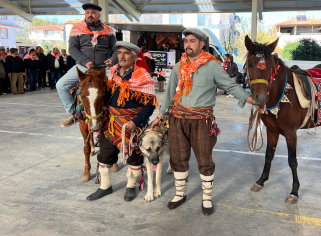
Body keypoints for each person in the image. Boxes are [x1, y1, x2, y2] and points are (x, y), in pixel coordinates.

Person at [151, 28, 254, 216]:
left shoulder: (213, 65)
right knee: (177, 157)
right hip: (177, 119)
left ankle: (206, 198)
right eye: (186, 41)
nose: (188, 44)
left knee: (204, 159)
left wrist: (251, 100)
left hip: (201, 120)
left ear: (201, 44)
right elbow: (169, 94)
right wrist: (160, 116)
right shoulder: (178, 66)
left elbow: (230, 85)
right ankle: (179, 194)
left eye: (192, 41)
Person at [86, 41, 157, 202]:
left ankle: (131, 186)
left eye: (126, 53)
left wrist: (136, 122)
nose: (122, 56)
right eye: (119, 53)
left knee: (133, 156)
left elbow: (151, 104)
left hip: (132, 124)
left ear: (134, 56)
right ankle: (105, 187)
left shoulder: (143, 76)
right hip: (110, 121)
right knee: (105, 154)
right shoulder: (112, 72)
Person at [57, 3, 118, 128]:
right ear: (85, 14)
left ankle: (116, 113)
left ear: (98, 15)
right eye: (88, 12)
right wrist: (85, 61)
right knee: (61, 85)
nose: (90, 15)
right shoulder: (76, 29)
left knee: (120, 86)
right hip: (83, 67)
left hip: (103, 68)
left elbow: (116, 49)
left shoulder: (109, 30)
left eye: (93, 13)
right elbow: (73, 49)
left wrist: (112, 60)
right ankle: (73, 113)